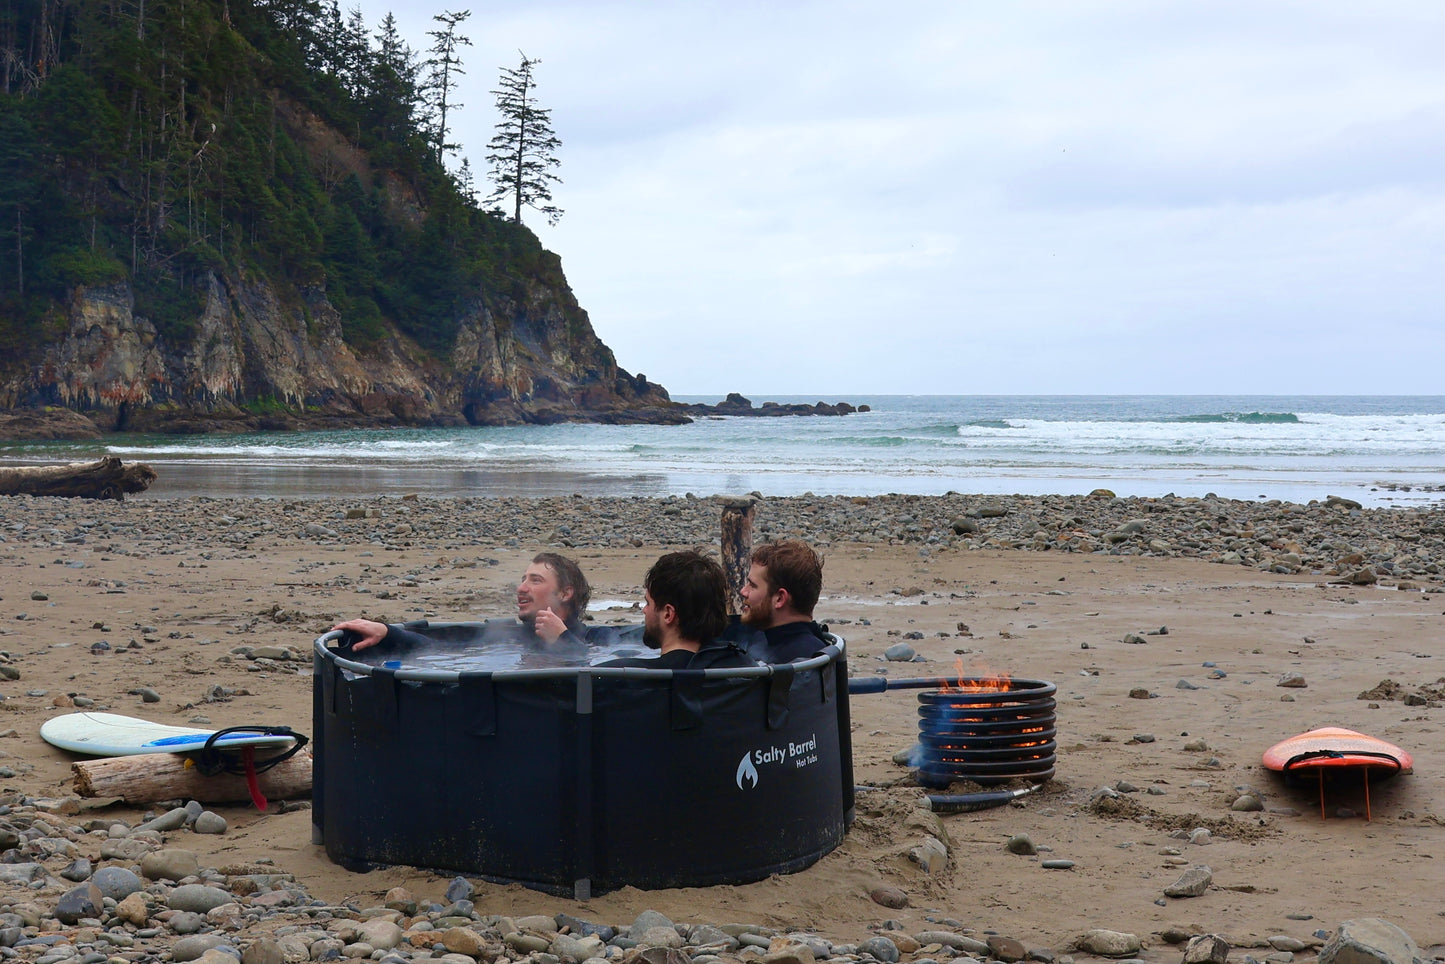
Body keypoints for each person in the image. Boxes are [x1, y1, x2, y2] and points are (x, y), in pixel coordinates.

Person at [332, 552, 594, 652]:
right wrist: (388, 632)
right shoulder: (512, 640)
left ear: (565, 593)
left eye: (535, 580)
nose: (521, 588)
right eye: (523, 579)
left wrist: (562, 639)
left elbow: (601, 674)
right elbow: (440, 649)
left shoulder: (595, 639)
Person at [600, 550, 756, 669]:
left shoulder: (619, 676)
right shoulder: (747, 669)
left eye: (648, 603)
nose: (644, 611)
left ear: (668, 614)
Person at [737, 539, 831, 662]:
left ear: (780, 598)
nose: (743, 591)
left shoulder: (805, 662)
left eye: (753, 585)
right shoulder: (764, 637)